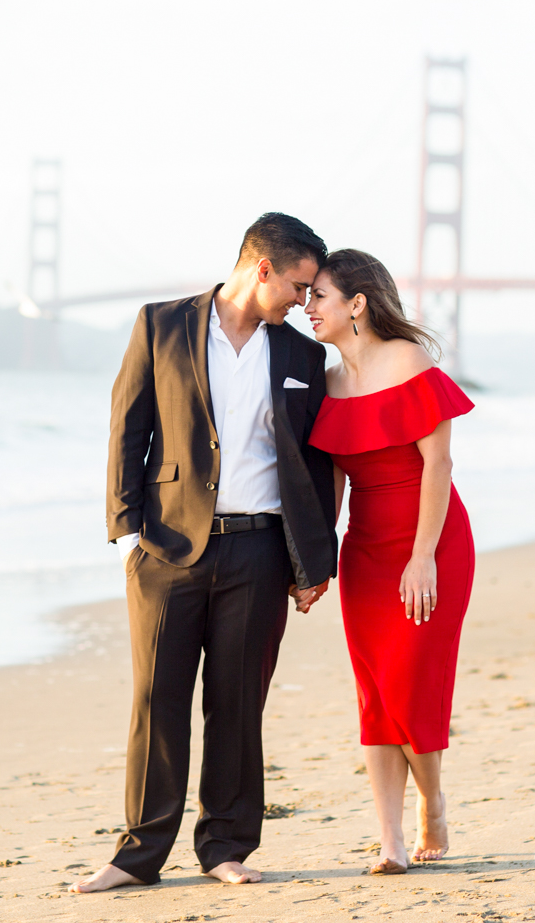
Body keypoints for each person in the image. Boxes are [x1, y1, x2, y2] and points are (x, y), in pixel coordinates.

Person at [71, 213, 338, 893]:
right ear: (263, 269)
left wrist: (313, 564)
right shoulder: (160, 325)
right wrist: (126, 531)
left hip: (261, 553)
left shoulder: (303, 357)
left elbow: (312, 467)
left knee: (237, 704)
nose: (306, 304)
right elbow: (126, 426)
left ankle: (225, 846)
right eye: (301, 287)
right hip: (167, 553)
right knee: (156, 702)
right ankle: (137, 855)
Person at [301, 249, 476, 875]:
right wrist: (316, 562)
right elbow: (339, 483)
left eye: (318, 294)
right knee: (375, 694)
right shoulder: (328, 383)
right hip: (367, 550)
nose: (307, 305)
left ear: (357, 304)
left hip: (431, 542)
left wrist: (423, 557)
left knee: (410, 685)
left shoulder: (407, 362)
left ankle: (432, 799)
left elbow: (439, 464)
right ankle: (391, 843)